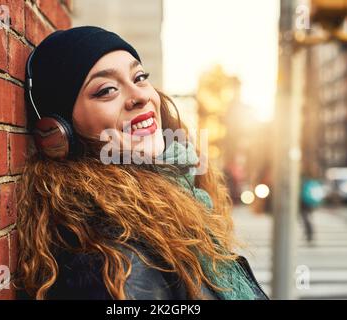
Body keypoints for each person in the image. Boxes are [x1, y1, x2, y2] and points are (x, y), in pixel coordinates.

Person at [16, 26, 268, 300]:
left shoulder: (176, 202)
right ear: (59, 131)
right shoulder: (113, 260)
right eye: (107, 90)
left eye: (139, 77)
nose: (140, 96)